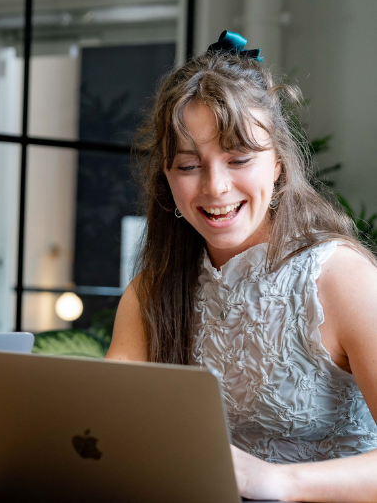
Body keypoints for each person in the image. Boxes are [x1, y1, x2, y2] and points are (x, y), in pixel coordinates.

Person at [106, 31, 377, 502]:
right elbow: (100, 432)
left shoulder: (341, 278)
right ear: (166, 177)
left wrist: (279, 481)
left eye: (238, 159)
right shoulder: (151, 291)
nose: (215, 187)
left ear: (277, 165)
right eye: (188, 166)